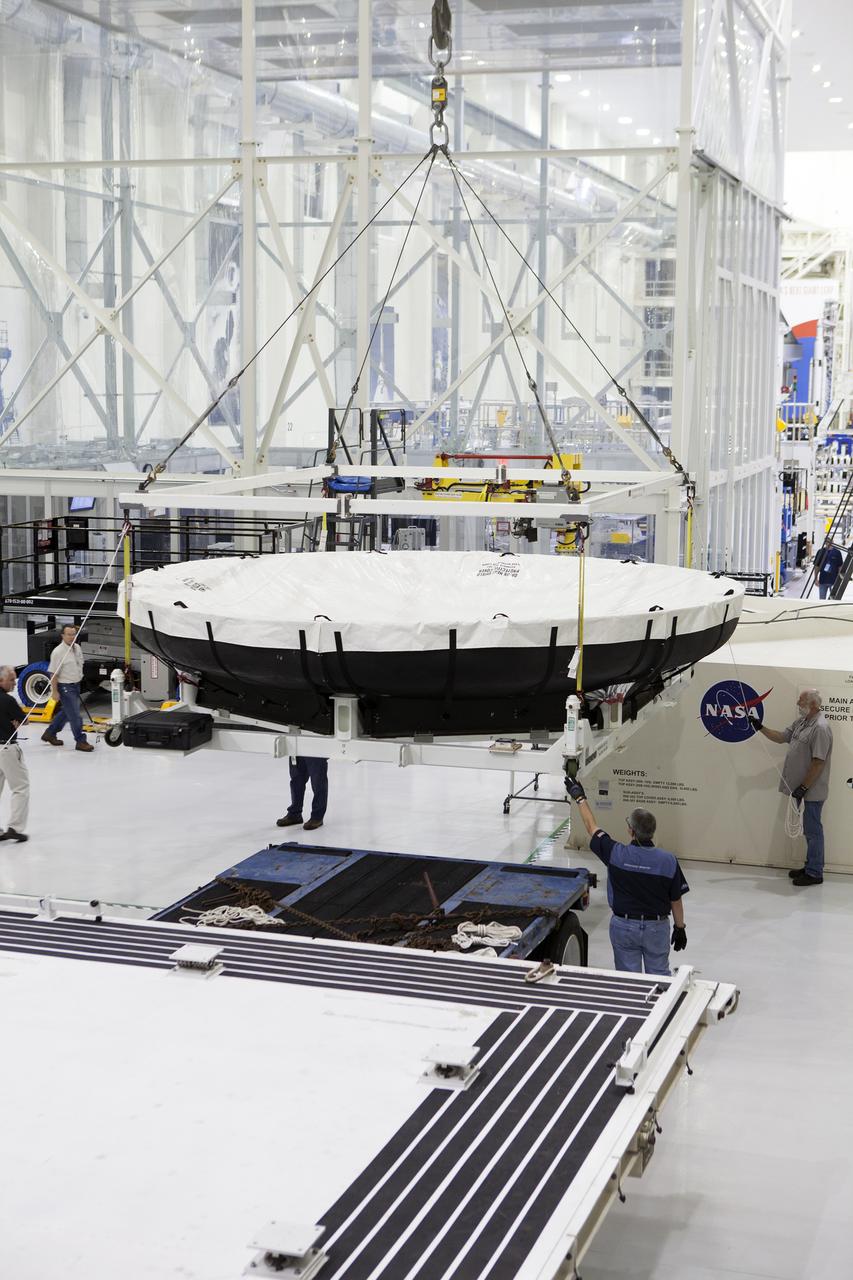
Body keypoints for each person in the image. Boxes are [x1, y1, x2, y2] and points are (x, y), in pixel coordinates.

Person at [566, 779, 688, 976]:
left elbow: (591, 827)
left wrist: (579, 797)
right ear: (652, 832)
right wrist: (680, 927)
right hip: (657, 929)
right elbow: (676, 899)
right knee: (659, 981)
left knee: (628, 981)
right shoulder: (668, 861)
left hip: (624, 927)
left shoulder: (616, 854)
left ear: (631, 830)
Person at [757, 688, 832, 886]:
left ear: (813, 704)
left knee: (813, 830)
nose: (798, 704)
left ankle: (815, 872)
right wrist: (759, 727)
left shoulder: (821, 728)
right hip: (800, 789)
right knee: (808, 829)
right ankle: (810, 866)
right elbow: (782, 737)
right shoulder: (801, 723)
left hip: (812, 791)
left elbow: (818, 762)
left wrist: (804, 787)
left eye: (801, 701)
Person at [42, 623, 94, 752]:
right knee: (75, 715)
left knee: (67, 712)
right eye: (69, 635)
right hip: (65, 687)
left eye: (73, 634)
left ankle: (50, 733)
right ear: (62, 635)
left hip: (76, 685)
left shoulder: (77, 648)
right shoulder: (58, 652)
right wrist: (54, 691)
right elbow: (53, 673)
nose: (71, 637)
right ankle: (80, 741)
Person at [0, 666, 30, 842]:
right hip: (7, 749)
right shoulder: (8, 700)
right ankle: (15, 827)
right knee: (20, 787)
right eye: (11, 679)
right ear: (1, 681)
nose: (14, 682)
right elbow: (24, 720)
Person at [276, 756, 328, 832]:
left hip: (316, 747)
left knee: (318, 781)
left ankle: (317, 817)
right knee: (296, 780)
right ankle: (295, 814)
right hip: (296, 747)